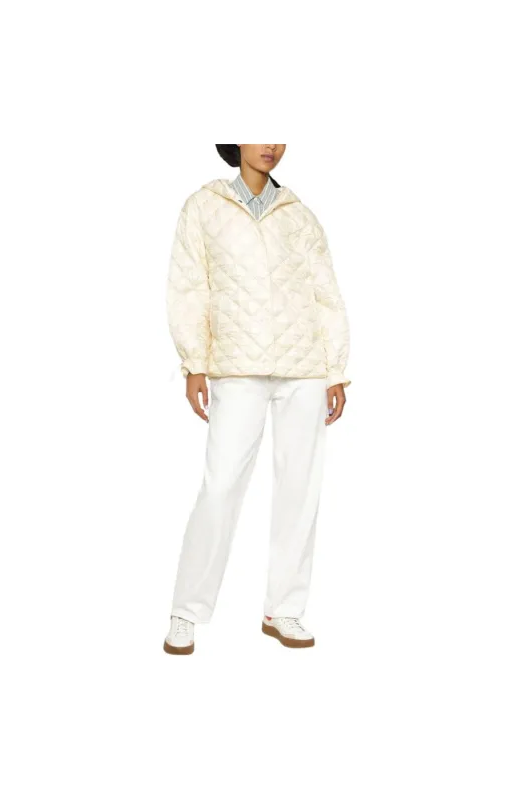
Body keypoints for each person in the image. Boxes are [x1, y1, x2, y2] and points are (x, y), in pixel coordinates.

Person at [163, 144, 351, 655]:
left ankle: (284, 608)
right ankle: (186, 610)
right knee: (220, 486)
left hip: (304, 367)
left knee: (300, 489)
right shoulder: (204, 207)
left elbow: (326, 295)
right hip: (237, 364)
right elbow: (188, 288)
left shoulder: (299, 215)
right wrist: (194, 362)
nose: (270, 145)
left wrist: (335, 370)